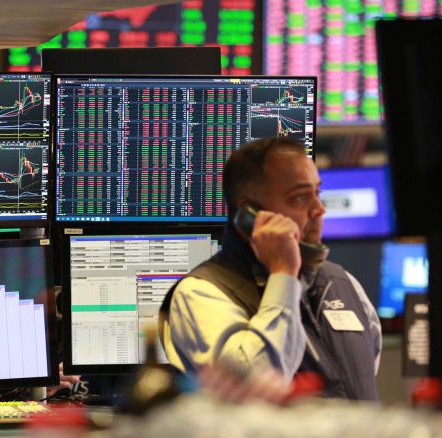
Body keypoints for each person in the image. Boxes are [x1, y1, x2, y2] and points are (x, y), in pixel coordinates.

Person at [159, 137, 382, 401]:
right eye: (300, 197)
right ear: (250, 214)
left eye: (317, 193)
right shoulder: (201, 293)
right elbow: (254, 392)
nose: (319, 209)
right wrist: (284, 275)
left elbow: (362, 384)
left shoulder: (342, 282)